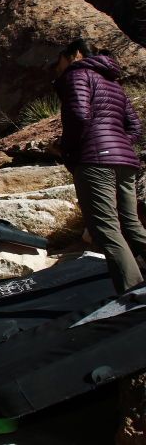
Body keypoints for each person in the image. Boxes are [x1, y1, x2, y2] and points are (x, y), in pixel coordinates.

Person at [54, 38, 146, 294]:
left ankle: (134, 294)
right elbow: (135, 127)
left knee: (105, 228)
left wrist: (70, 150)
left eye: (59, 59)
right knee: (131, 224)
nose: (57, 67)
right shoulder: (113, 81)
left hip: (95, 161)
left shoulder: (77, 74)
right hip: (125, 161)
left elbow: (79, 115)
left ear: (75, 53)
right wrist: (117, 144)